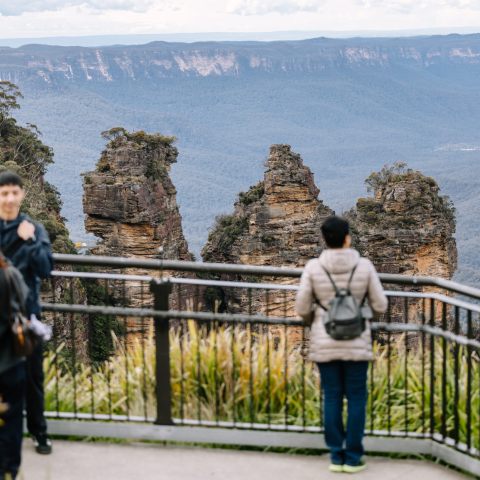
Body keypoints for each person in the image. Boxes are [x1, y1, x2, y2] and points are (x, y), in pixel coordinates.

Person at [295, 216, 387, 473]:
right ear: (347, 237)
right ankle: (354, 457)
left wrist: (317, 319)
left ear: (324, 239)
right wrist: (363, 316)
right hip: (357, 342)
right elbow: (380, 305)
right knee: (357, 397)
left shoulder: (314, 267)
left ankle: (336, 456)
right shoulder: (364, 266)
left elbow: (301, 307)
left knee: (332, 397)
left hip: (325, 341)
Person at [0, 171, 54, 455]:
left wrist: (31, 241)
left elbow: (46, 268)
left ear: (22, 194)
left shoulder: (35, 229)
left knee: (33, 377)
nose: (9, 198)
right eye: (4, 193)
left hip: (28, 317)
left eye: (14, 192)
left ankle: (38, 431)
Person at [0, 254, 29, 479]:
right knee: (13, 413)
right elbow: (24, 298)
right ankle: (10, 466)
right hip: (9, 358)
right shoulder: (8, 273)